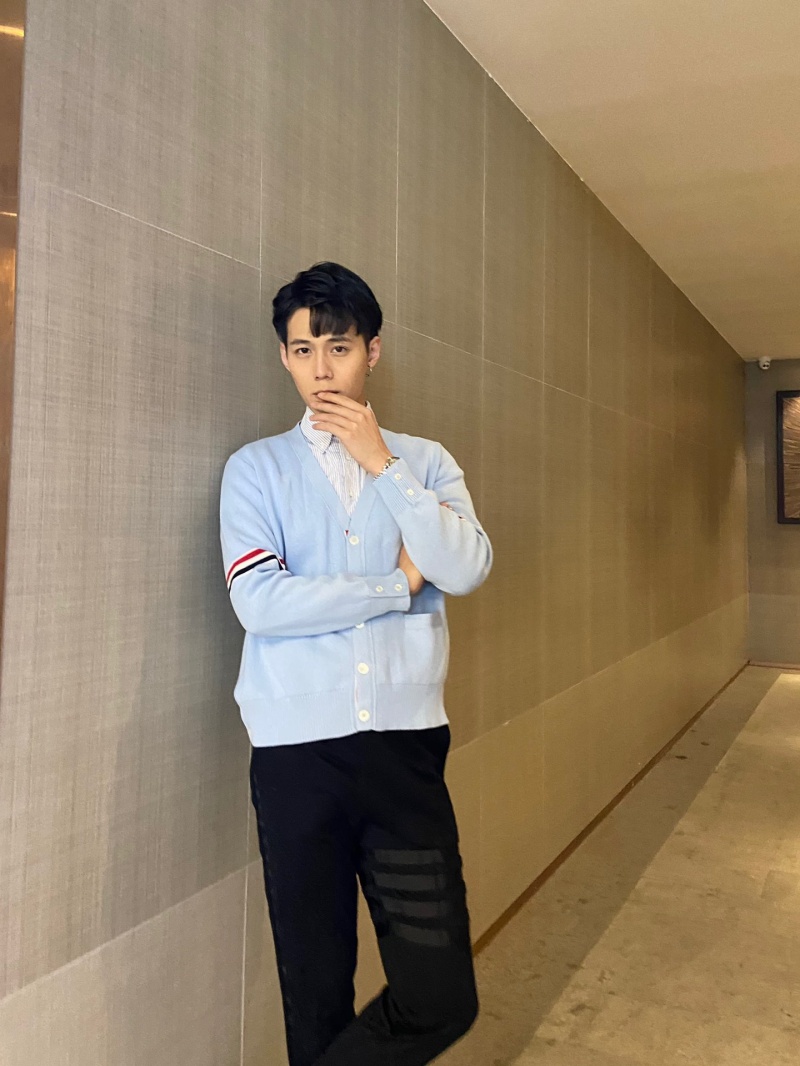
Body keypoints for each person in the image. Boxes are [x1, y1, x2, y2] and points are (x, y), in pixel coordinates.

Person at [219, 261, 492, 1066]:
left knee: (439, 996)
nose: (321, 371)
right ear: (284, 356)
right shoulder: (256, 469)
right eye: (303, 351)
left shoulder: (425, 463)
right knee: (315, 997)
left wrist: (382, 465)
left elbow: (466, 566)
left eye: (337, 348)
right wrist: (395, 587)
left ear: (372, 351)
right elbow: (261, 603)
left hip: (405, 756)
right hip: (296, 762)